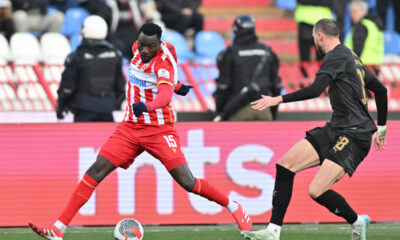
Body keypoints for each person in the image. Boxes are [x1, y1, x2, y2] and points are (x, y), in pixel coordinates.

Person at [29, 22, 252, 240]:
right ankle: (58, 229)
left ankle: (235, 207)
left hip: (159, 130)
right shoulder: (137, 49)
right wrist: (177, 85)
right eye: (142, 44)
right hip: (130, 127)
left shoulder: (163, 63)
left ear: (159, 44)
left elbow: (164, 95)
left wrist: (149, 105)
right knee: (96, 169)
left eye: (150, 47)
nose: (144, 50)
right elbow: (161, 82)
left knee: (187, 181)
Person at [241, 18, 388, 240]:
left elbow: (315, 90)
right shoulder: (351, 57)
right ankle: (273, 231)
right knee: (285, 165)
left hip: (355, 134)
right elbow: (382, 90)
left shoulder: (334, 57)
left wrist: (277, 100)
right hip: (337, 127)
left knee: (315, 190)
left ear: (319, 36)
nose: (314, 43)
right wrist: (382, 126)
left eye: (313, 38)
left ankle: (357, 221)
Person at [56, 15, 126, 122]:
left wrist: (61, 107)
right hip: (107, 111)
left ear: (85, 31)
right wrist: (113, 105)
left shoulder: (77, 56)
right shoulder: (115, 55)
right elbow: (121, 87)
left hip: (83, 112)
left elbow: (67, 87)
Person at [213, 15, 282, 121]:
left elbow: (223, 87)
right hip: (264, 110)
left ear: (235, 30)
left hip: (237, 109)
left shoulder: (230, 53)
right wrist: (273, 114)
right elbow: (277, 86)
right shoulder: (267, 52)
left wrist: (221, 112)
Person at [294, 0, 332, 78]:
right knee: (321, 59)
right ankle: (321, 84)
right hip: (322, 21)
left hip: (305, 20)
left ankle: (305, 83)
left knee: (305, 59)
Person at [345, 0, 384, 75]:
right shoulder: (374, 25)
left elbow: (357, 49)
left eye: (355, 11)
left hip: (362, 66)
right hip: (375, 66)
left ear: (364, 11)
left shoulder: (362, 26)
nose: (352, 15)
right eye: (351, 12)